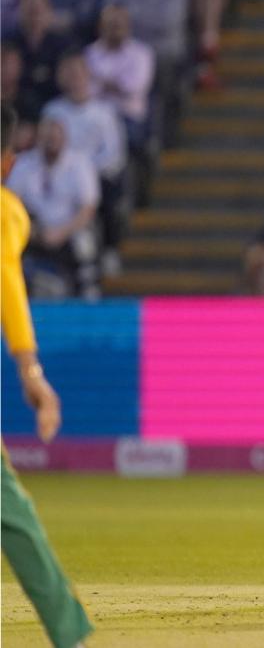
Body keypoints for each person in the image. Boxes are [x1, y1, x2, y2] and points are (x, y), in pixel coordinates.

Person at [1, 105, 94, 647]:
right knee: (9, 510)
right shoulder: (6, 211)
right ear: (9, 163)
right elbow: (7, 280)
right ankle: (67, 630)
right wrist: (30, 368)